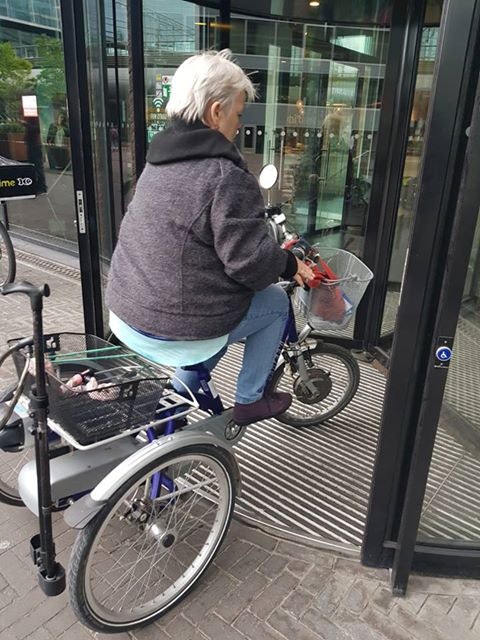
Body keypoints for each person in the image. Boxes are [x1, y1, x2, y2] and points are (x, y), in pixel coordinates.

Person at [106, 50, 314, 426]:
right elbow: (250, 265)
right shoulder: (224, 175)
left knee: (208, 310)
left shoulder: (158, 163)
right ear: (216, 112)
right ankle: (251, 399)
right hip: (172, 329)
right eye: (237, 114)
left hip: (126, 315)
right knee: (273, 302)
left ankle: (181, 395)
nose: (238, 126)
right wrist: (288, 262)